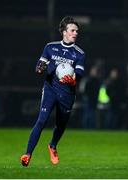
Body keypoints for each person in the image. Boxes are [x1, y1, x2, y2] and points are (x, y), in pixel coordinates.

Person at [20, 16, 85, 166]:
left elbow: (79, 74)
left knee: (61, 125)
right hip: (50, 89)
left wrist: (73, 80)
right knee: (41, 120)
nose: (75, 33)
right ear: (64, 32)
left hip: (67, 93)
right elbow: (40, 65)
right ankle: (27, 153)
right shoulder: (50, 47)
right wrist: (39, 68)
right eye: (72, 30)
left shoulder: (79, 53)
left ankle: (53, 145)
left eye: (77, 31)